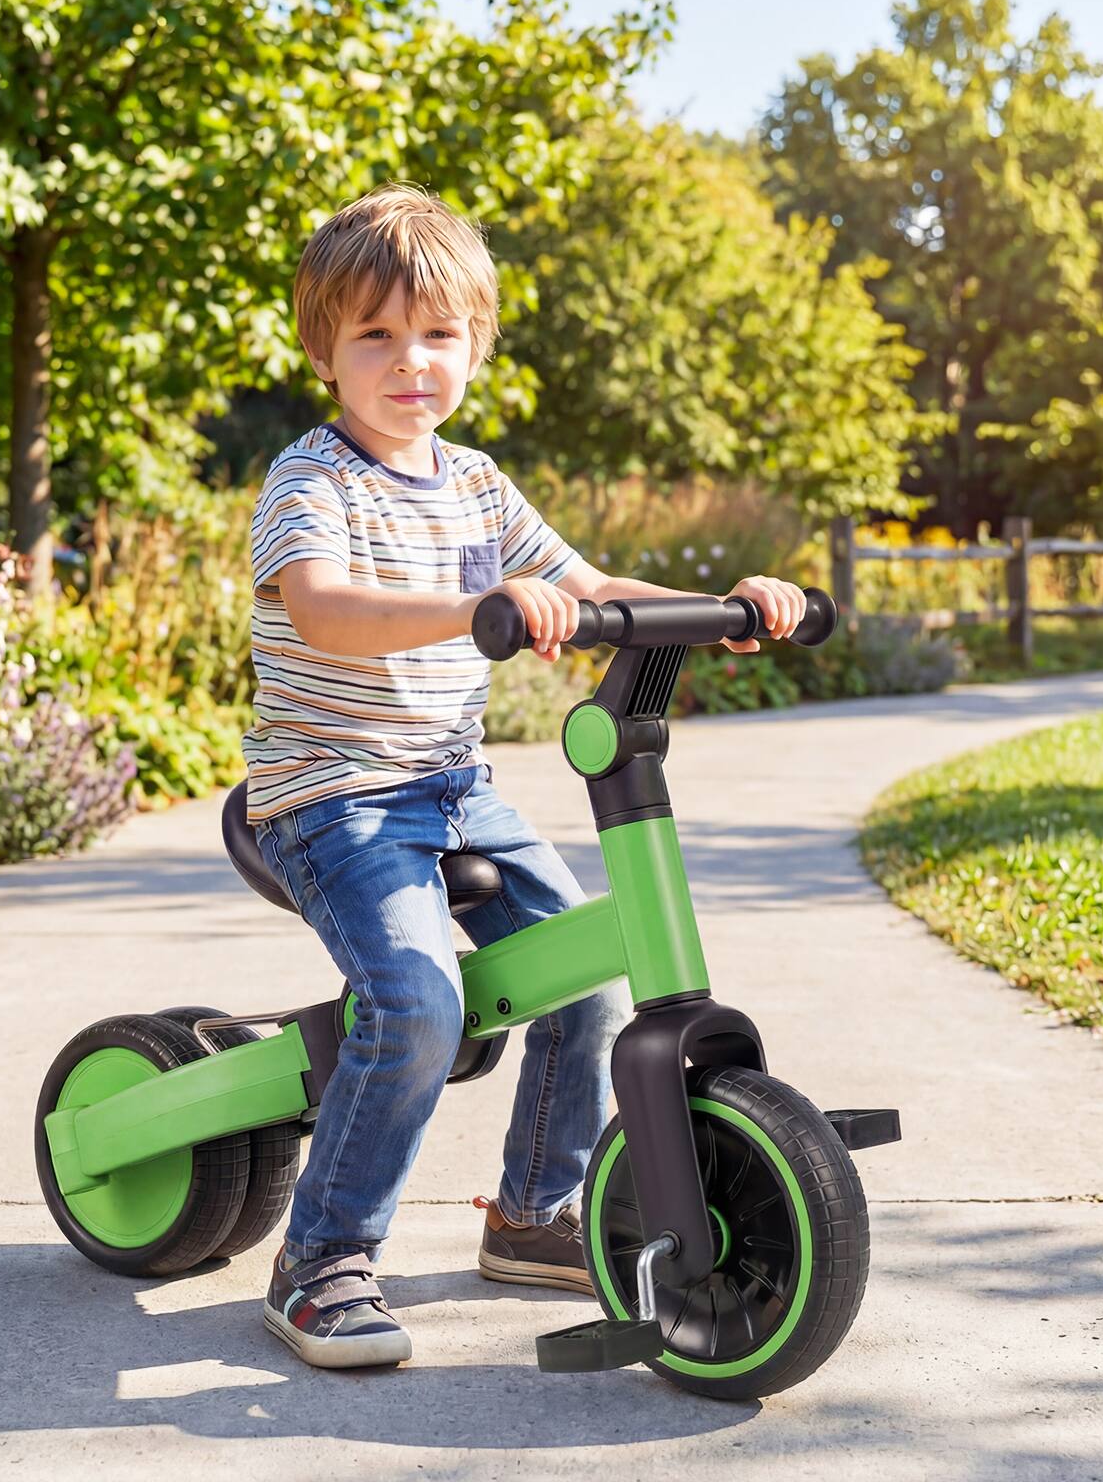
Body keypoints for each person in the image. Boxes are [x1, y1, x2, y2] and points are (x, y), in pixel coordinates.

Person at [243, 181, 808, 1369]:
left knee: (587, 967)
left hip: (450, 790)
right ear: (324, 353)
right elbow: (325, 610)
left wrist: (729, 607)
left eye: (438, 334)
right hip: (329, 798)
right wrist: (475, 605)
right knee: (418, 1003)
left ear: (476, 345)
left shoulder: (477, 485)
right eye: (376, 336)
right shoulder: (311, 482)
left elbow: (591, 589)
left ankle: (533, 1210)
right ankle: (321, 1256)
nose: (411, 362)